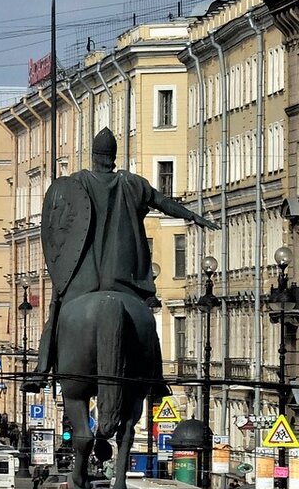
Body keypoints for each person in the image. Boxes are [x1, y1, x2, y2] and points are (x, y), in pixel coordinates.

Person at [23, 128, 219, 393]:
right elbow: (164, 203)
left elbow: (59, 224)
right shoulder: (132, 183)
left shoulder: (78, 182)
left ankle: (41, 370)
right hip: (124, 276)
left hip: (84, 275)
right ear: (113, 157)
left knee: (56, 312)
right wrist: (193, 216)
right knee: (146, 320)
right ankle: (157, 378)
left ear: (93, 156)